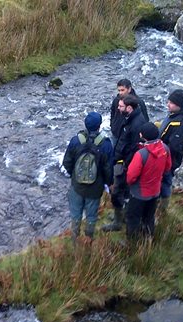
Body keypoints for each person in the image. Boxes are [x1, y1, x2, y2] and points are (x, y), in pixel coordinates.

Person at [62, 112, 114, 242]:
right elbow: (108, 169)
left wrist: (73, 175)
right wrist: (107, 183)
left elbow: (66, 162)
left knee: (75, 213)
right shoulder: (105, 144)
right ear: (99, 126)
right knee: (91, 215)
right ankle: (88, 240)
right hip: (95, 188)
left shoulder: (76, 140)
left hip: (77, 185)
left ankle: (75, 240)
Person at [102, 95, 146, 232]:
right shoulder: (130, 118)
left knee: (117, 193)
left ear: (129, 108)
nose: (118, 108)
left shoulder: (137, 123)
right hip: (123, 161)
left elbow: (135, 147)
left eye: (120, 106)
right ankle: (122, 215)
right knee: (125, 192)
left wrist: (125, 165)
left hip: (126, 165)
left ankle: (117, 222)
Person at [126, 122, 172, 238]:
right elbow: (168, 167)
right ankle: (148, 240)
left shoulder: (141, 154)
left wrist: (131, 184)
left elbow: (131, 176)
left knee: (133, 218)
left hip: (139, 193)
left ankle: (133, 243)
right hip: (155, 191)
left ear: (142, 135)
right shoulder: (165, 148)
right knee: (149, 217)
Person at [157, 89, 183, 213]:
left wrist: (165, 162)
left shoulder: (179, 125)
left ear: (178, 105)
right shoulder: (174, 114)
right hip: (163, 157)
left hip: (168, 161)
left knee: (166, 182)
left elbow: (174, 148)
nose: (167, 104)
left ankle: (163, 207)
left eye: (171, 103)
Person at [109, 78, 149, 143]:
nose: (120, 93)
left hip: (129, 138)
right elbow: (112, 113)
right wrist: (112, 126)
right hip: (116, 134)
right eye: (119, 90)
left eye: (122, 90)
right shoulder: (116, 100)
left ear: (129, 89)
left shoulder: (138, 102)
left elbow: (145, 120)